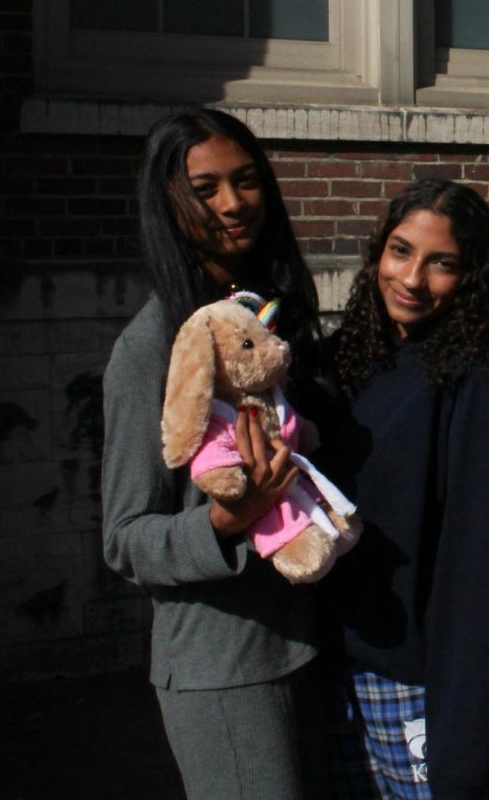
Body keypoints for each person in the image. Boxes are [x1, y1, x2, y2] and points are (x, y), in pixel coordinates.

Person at [101, 108, 332, 799]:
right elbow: (125, 540)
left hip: (311, 644)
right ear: (168, 202)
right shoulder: (151, 352)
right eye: (205, 189)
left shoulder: (273, 320)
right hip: (221, 668)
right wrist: (226, 523)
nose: (234, 204)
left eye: (247, 180)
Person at [324, 179, 489, 799]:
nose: (413, 279)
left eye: (442, 263)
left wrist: (463, 750)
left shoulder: (479, 394)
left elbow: (481, 582)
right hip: (348, 679)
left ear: (471, 278)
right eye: (400, 251)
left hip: (435, 692)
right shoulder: (351, 362)